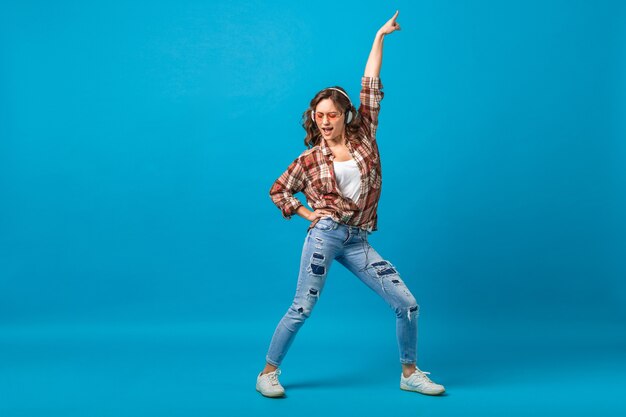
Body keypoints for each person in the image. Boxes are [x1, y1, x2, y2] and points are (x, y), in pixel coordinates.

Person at [256, 10, 445, 398]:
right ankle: (268, 373)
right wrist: (308, 213)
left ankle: (409, 373)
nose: (324, 121)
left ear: (345, 115)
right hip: (325, 236)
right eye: (318, 115)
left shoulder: (364, 136)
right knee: (302, 308)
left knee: (407, 304)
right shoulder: (308, 159)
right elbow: (278, 191)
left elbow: (371, 84)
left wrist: (379, 36)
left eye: (331, 115)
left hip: (357, 239)